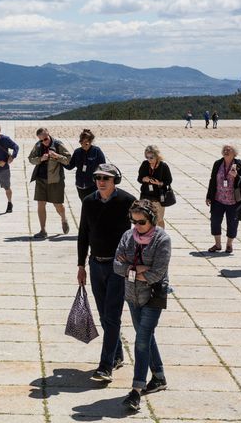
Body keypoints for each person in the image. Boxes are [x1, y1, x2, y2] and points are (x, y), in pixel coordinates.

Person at [77, 164, 135, 383]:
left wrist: (132, 260)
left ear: (115, 181)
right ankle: (118, 354)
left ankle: (105, 366)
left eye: (106, 178)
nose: (101, 181)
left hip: (118, 268)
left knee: (112, 316)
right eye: (98, 177)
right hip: (95, 265)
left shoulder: (127, 201)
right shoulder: (89, 202)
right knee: (104, 316)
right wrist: (81, 265)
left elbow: (139, 230)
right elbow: (83, 233)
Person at [114, 199, 171, 412]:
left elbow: (158, 273)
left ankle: (136, 391)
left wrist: (131, 268)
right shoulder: (128, 237)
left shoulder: (162, 240)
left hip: (152, 298)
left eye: (142, 222)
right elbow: (117, 266)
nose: (137, 226)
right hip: (132, 296)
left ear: (152, 220)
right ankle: (159, 377)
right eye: (134, 221)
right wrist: (138, 268)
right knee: (146, 337)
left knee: (140, 341)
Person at [28, 127, 71, 238]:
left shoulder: (58, 144)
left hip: (55, 180)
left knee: (57, 205)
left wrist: (57, 156)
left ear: (49, 135)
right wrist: (40, 159)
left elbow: (69, 159)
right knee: (41, 203)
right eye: (41, 140)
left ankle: (63, 218)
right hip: (41, 179)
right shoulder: (38, 145)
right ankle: (43, 230)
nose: (44, 142)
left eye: (45, 139)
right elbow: (31, 159)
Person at [205, 145, 241, 253]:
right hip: (218, 198)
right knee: (215, 221)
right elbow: (212, 180)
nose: (226, 151)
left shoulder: (239, 164)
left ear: (234, 153)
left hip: (233, 200)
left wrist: (237, 176)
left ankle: (229, 244)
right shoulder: (218, 163)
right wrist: (209, 196)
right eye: (224, 149)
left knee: (232, 223)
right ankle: (217, 244)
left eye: (229, 150)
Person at [65, 129, 106, 201]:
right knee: (85, 205)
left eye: (86, 143)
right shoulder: (77, 152)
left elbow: (103, 167)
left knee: (94, 206)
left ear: (90, 142)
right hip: (80, 185)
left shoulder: (97, 151)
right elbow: (70, 166)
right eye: (81, 143)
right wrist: (58, 159)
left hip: (93, 185)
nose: (83, 145)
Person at [137, 145, 172, 228]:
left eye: (151, 157)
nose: (149, 160)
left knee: (159, 219)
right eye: (147, 157)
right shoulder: (145, 164)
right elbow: (139, 179)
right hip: (145, 195)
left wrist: (159, 183)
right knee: (145, 219)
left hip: (158, 197)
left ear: (157, 156)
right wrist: (143, 179)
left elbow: (169, 180)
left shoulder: (163, 166)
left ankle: (160, 237)